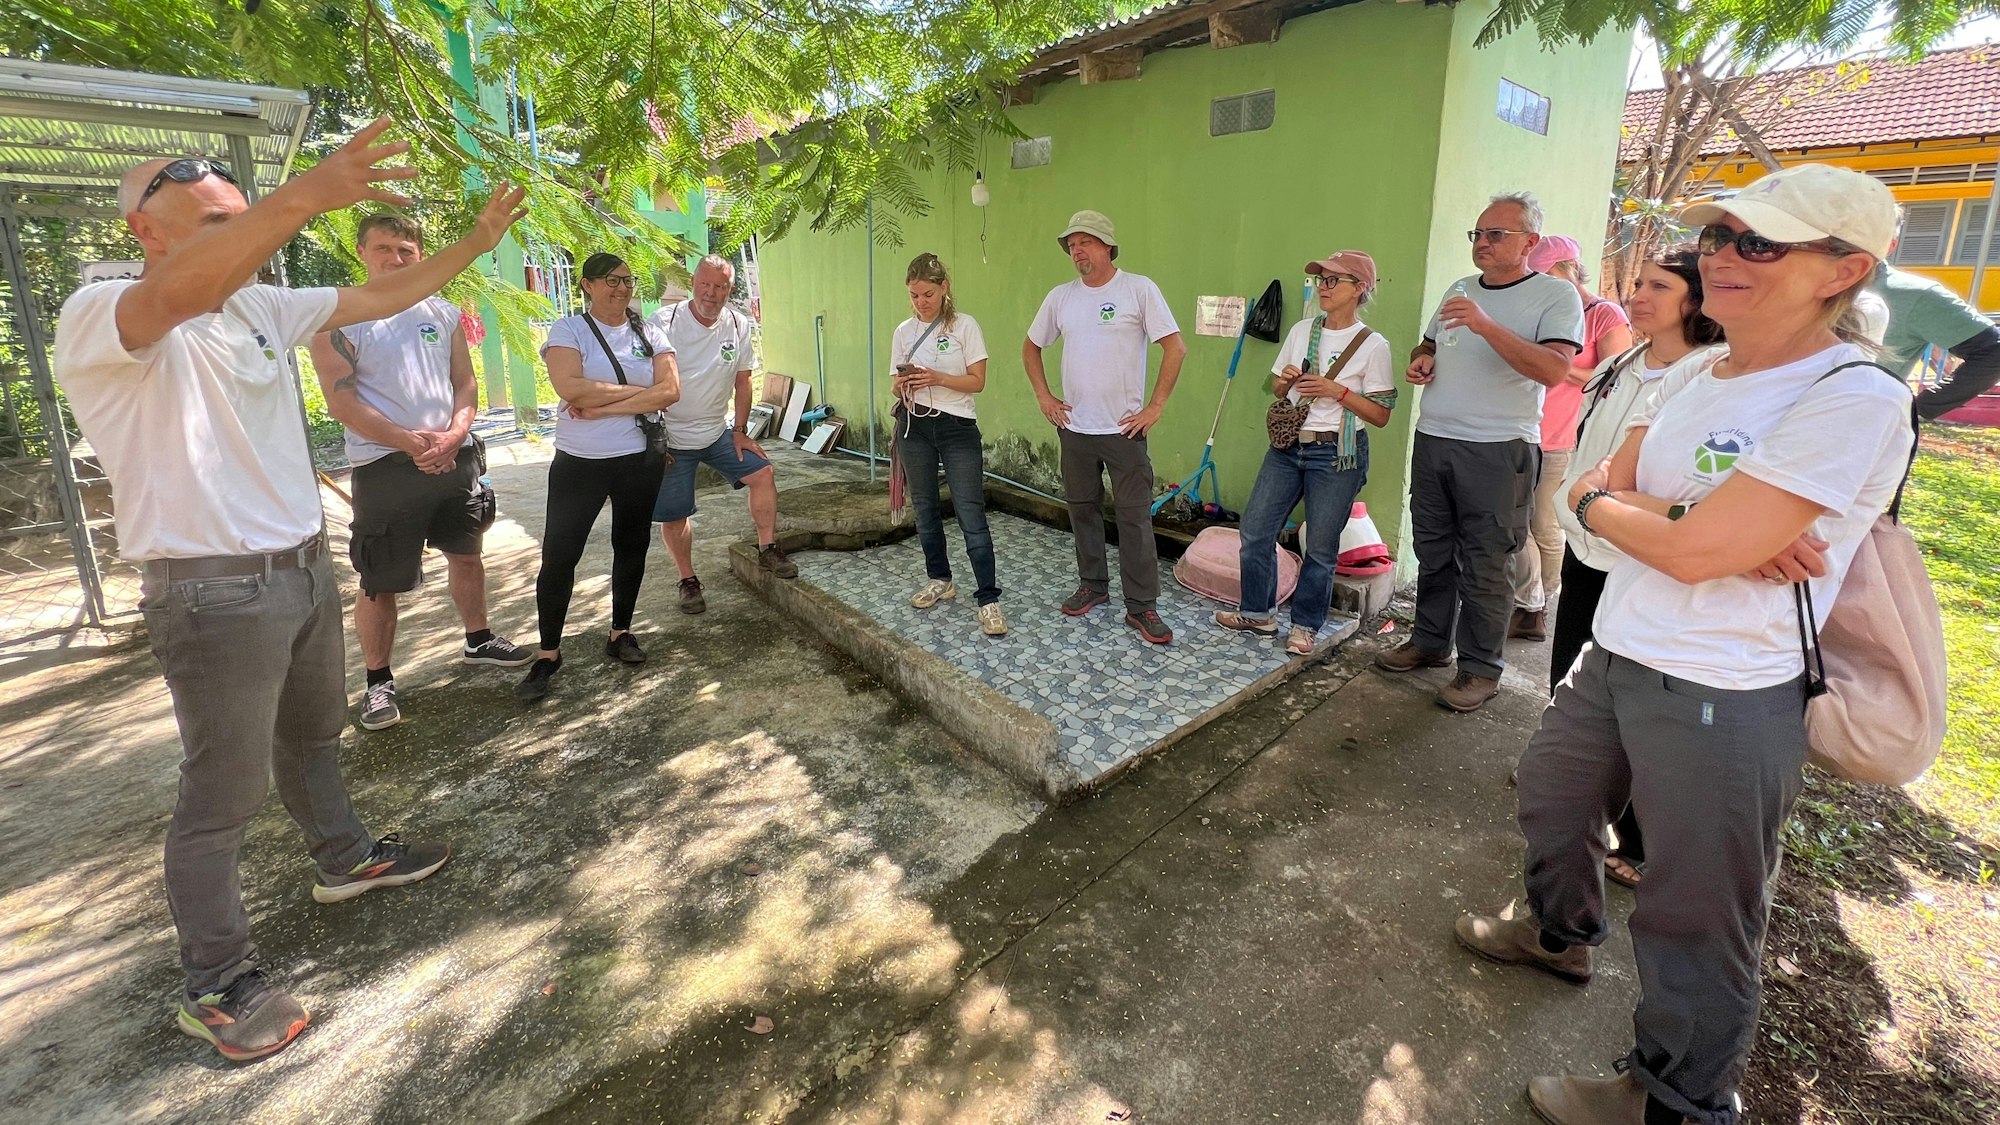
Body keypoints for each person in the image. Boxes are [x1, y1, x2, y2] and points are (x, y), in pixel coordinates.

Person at [52, 121, 522, 1061]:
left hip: (301, 567)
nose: (252, 235)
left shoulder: (259, 307)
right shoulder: (104, 308)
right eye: (222, 221)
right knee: (218, 795)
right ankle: (217, 982)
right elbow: (180, 292)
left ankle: (345, 859)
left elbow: (382, 290)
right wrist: (302, 195)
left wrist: (470, 246)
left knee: (314, 733)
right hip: (212, 592)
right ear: (149, 232)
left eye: (250, 217)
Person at [1456, 164, 1913, 1125]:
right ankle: (1561, 934)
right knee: (1552, 794)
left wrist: (1668, 521)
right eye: (1719, 236)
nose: (1723, 256)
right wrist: (1662, 512)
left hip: (1728, 688)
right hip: (1621, 646)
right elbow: (1603, 478)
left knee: (1694, 911)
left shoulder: (1852, 395)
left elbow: (1693, 546)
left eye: (1760, 242)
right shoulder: (1707, 369)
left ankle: (1674, 1096)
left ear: (1845, 270)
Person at [309, 214, 533, 731]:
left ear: (420, 255)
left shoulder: (443, 312)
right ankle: (378, 682)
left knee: (466, 552)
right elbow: (341, 400)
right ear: (362, 252)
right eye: (383, 248)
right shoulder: (338, 319)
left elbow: (466, 383)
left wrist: (455, 435)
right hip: (385, 466)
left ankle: (478, 640)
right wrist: (411, 444)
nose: (395, 258)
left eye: (406, 250)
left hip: (452, 458)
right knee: (379, 579)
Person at [1548, 244, 1726, 891]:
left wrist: (1609, 501)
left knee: (1643, 697)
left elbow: (1695, 492)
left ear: (1697, 300)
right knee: (1574, 663)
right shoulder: (1628, 358)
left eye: (1658, 285)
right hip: (1589, 535)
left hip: (1640, 549)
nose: (1639, 294)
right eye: (1639, 282)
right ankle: (1575, 779)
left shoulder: (1707, 373)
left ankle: (1640, 837)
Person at [1375, 191, 1584, 712]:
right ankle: (1429, 643)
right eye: (1478, 234)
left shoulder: (1556, 298)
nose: (1482, 243)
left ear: (1530, 242)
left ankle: (1480, 668)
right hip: (1435, 439)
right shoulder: (1460, 288)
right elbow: (1429, 344)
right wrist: (1422, 360)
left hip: (1498, 448)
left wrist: (1488, 325)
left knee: (1488, 561)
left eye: (1496, 234)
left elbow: (1554, 371)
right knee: (1434, 550)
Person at [516, 253, 682, 701]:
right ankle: (549, 652)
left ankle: (620, 632)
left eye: (629, 280)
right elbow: (569, 387)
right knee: (560, 554)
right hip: (580, 461)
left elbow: (672, 392)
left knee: (631, 547)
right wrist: (643, 395)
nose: (622, 288)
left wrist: (604, 405)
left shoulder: (650, 331)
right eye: (612, 280)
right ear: (587, 284)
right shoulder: (569, 330)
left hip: (639, 459)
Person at [1214, 251, 1396, 655]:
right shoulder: (1301, 331)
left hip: (1336, 454)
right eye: (1320, 280)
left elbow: (1381, 413)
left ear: (1359, 288)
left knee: (1321, 545)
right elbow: (1275, 388)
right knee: (1255, 529)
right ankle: (1258, 613)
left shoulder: (1373, 345)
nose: (1323, 288)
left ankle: (1306, 625)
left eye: (1334, 281)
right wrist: (1285, 382)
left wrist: (1338, 392)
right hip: (1288, 447)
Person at [1023, 210, 1188, 644]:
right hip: (1075, 428)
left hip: (1124, 430)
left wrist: (1155, 406)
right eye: (1072, 244)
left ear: (1107, 247)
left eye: (1086, 242)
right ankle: (1093, 586)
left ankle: (1142, 607)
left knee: (1134, 520)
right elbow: (1031, 346)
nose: (1077, 250)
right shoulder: (1061, 297)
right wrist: (1045, 397)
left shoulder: (1138, 290)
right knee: (1082, 510)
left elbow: (1175, 348)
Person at [646, 253, 795, 615]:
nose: (711, 293)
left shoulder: (737, 323)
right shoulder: (664, 321)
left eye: (721, 287)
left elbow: (743, 381)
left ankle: (767, 548)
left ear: (730, 289)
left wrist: (741, 430)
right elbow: (644, 379)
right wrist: (653, 437)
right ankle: (687, 580)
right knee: (675, 514)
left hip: (716, 432)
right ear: (693, 283)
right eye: (706, 284)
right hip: (673, 438)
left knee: (763, 472)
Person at [1506, 234, 1633, 642]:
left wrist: (1553, 364)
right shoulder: (1541, 313)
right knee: (1514, 525)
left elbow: (1615, 380)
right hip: (1522, 429)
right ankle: (1530, 601)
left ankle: (1541, 606)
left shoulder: (1604, 315)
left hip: (1564, 439)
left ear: (1566, 271)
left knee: (1546, 524)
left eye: (1544, 275)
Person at [892, 251, 1006, 635]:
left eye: (927, 293)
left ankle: (988, 598)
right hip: (914, 427)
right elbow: (894, 381)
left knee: (970, 512)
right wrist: (904, 382)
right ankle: (940, 579)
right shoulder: (903, 332)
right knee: (924, 508)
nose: (920, 302)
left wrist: (937, 378)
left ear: (944, 289)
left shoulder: (964, 326)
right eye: (913, 295)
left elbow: (978, 381)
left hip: (957, 427)